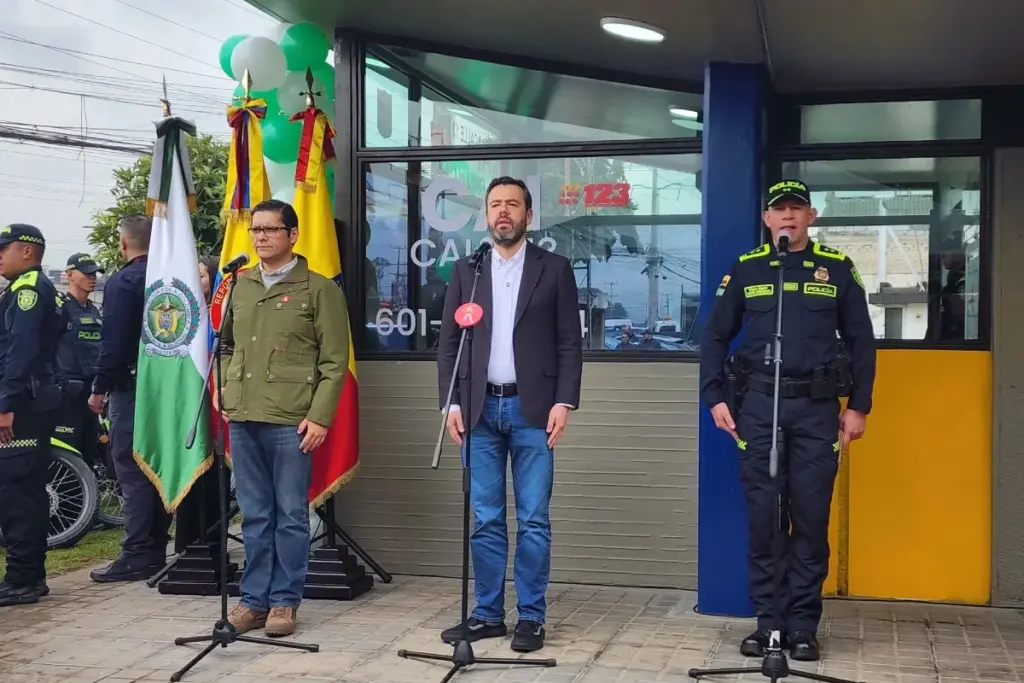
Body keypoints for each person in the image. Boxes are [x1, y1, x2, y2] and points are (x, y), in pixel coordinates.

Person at [699, 179, 877, 662]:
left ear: (811, 217)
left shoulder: (837, 270)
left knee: (810, 518)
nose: (788, 217)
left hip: (817, 410)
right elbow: (715, 336)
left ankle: (802, 626)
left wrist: (859, 405)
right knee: (763, 519)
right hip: (758, 407)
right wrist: (715, 396)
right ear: (767, 219)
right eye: (780, 210)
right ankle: (767, 624)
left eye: (797, 210)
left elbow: (862, 340)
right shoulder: (749, 268)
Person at [436, 176, 583, 653]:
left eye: (512, 205)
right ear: (486, 215)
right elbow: (450, 345)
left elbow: (569, 342)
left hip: (533, 408)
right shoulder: (467, 270)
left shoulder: (554, 268)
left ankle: (532, 617)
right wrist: (451, 403)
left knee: (535, 518)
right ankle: (486, 614)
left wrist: (565, 400)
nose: (504, 212)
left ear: (528, 215)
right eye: (495, 204)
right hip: (478, 410)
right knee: (485, 518)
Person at [216, 199, 350, 638]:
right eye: (256, 230)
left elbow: (334, 362)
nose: (260, 237)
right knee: (254, 515)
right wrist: (223, 385)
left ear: (292, 234)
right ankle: (253, 601)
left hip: (292, 420)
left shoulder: (318, 288)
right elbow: (229, 344)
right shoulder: (241, 283)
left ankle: (285, 603)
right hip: (244, 413)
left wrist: (320, 417)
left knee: (290, 514)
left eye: (270, 230)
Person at [88, 215, 171, 582]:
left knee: (131, 466)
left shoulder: (123, 282)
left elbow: (114, 342)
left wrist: (99, 388)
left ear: (124, 243)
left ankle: (138, 551)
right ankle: (156, 546)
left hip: (132, 387)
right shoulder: (171, 277)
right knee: (159, 466)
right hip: (171, 387)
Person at [0, 224, 63, 606]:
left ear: (27, 251)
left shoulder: (27, 291)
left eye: (4, 248)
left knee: (17, 491)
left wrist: (4, 404)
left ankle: (23, 579)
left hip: (23, 403)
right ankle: (28, 575)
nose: (0, 255)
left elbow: (19, 353)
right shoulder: (34, 289)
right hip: (31, 398)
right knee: (22, 489)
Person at [171, 256, 224, 555]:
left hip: (216, 406)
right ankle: (188, 544)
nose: (197, 281)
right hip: (189, 405)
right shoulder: (184, 316)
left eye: (203, 276)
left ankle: (213, 542)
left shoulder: (219, 317)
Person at [55, 253, 104, 467]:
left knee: (89, 448)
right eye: (86, 273)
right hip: (67, 393)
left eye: (94, 273)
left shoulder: (95, 310)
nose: (92, 277)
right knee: (66, 449)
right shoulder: (59, 308)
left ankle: (88, 496)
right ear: (69, 275)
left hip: (91, 393)